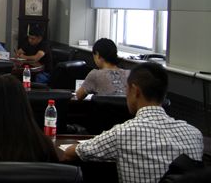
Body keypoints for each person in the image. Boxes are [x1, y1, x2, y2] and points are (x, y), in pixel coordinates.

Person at [64, 62, 203, 183]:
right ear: (164, 94)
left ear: (135, 91)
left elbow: (71, 153)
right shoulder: (195, 134)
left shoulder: (122, 133)